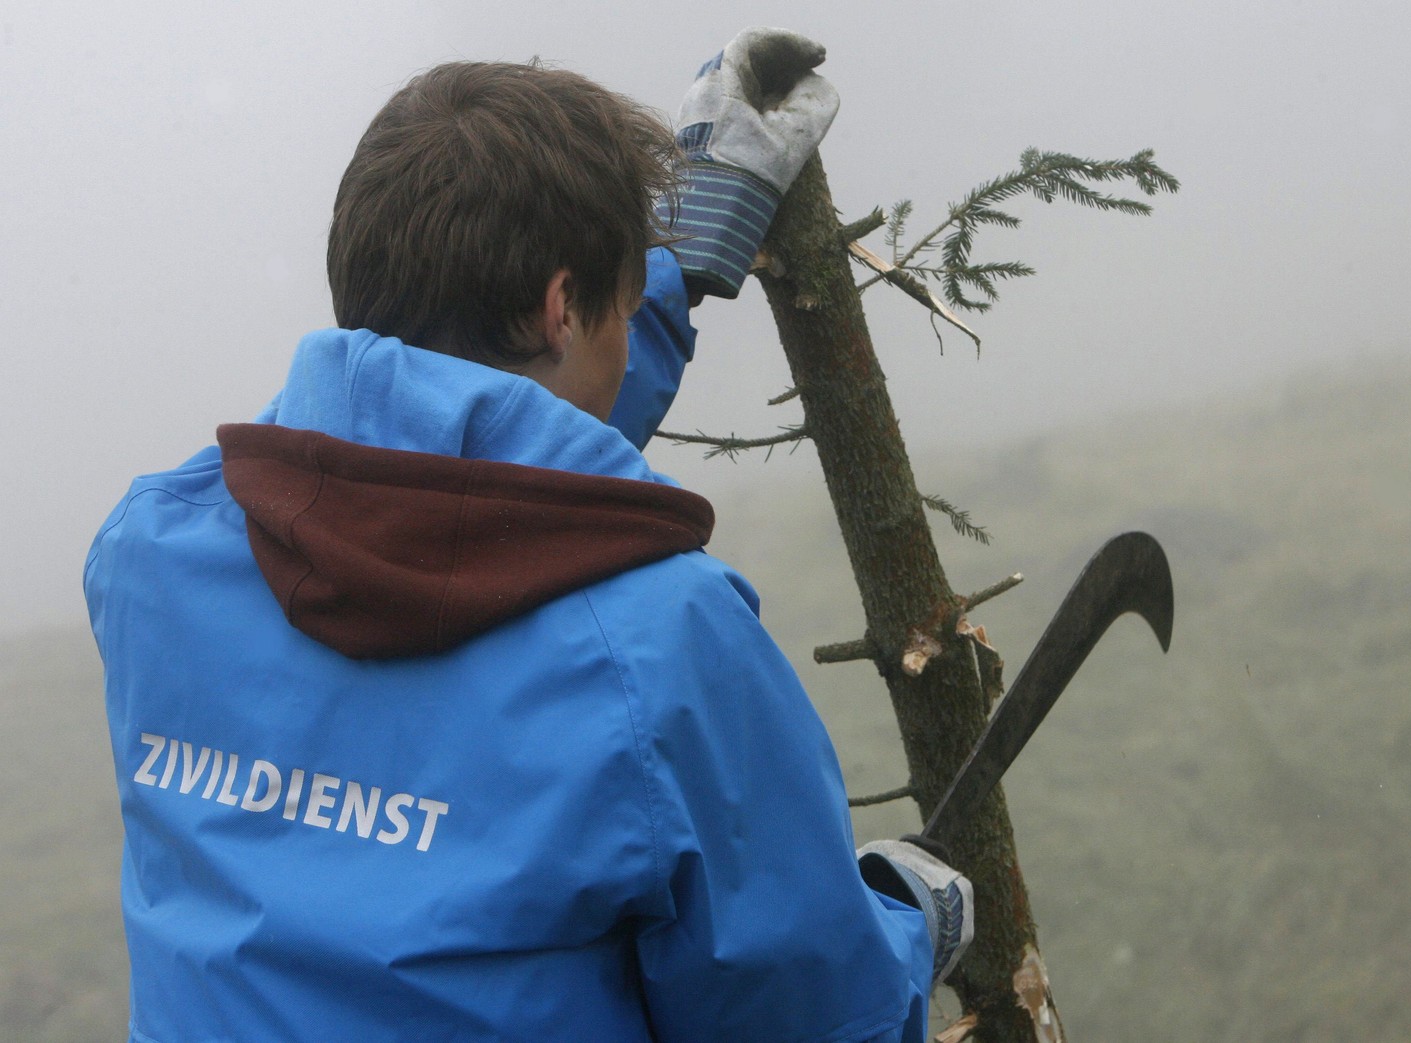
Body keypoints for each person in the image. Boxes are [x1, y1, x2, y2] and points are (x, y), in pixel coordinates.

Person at [85, 29, 972, 1042]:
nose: (626, 324)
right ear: (561, 306)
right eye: (623, 305)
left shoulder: (153, 553)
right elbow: (808, 1016)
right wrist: (905, 920)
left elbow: (454, 462)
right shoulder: (659, 644)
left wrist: (683, 261)